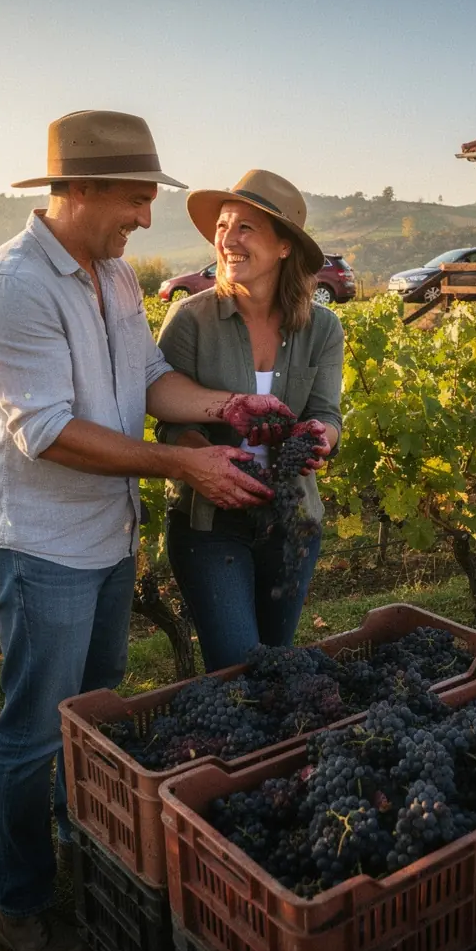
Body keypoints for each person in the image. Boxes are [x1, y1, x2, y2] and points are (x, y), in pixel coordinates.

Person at [0, 111, 290, 951]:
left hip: (105, 538)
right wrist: (185, 471)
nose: (147, 218)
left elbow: (147, 379)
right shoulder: (11, 288)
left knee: (93, 716)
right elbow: (51, 433)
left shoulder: (110, 278)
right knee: (34, 733)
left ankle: (85, 849)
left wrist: (224, 408)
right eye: (137, 200)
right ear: (81, 191)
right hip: (38, 547)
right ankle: (21, 908)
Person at [158, 170, 343, 672]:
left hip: (293, 521)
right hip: (210, 523)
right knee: (237, 667)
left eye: (246, 228)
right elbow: (165, 418)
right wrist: (204, 455)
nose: (227, 239)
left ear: (285, 247)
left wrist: (318, 438)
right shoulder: (190, 319)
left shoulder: (323, 327)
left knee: (275, 666)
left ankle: (266, 754)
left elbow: (326, 415)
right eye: (223, 226)